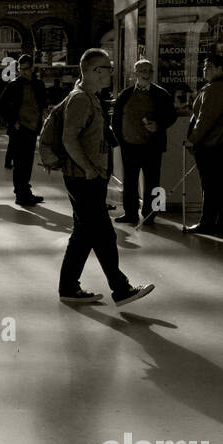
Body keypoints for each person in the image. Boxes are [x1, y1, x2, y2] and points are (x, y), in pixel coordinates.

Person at [58, 48, 154, 306]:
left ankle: (67, 287)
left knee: (82, 234)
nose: (111, 72)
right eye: (107, 68)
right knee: (103, 234)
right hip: (83, 178)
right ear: (92, 71)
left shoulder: (90, 98)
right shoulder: (80, 99)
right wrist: (88, 168)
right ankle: (120, 289)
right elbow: (69, 138)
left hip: (88, 177)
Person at [111, 58, 177, 225]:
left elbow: (171, 116)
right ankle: (130, 213)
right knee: (130, 181)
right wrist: (121, 140)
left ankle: (152, 214)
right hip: (130, 145)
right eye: (142, 71)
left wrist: (158, 125)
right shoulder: (125, 94)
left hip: (153, 146)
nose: (146, 74)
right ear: (135, 74)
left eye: (149, 71)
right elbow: (116, 120)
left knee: (154, 181)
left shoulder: (162, 94)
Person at [184, 53, 223, 238]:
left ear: (220, 69)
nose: (204, 69)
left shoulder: (216, 88)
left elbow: (206, 118)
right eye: (204, 66)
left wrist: (193, 139)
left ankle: (208, 223)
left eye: (209, 66)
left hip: (213, 145)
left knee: (211, 187)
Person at [0, 54, 48, 206]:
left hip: (33, 128)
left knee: (27, 162)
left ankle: (25, 191)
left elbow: (43, 103)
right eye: (21, 69)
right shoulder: (14, 85)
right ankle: (20, 194)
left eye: (26, 69)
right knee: (19, 163)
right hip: (20, 129)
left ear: (32, 68)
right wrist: (13, 121)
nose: (23, 72)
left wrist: (44, 117)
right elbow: (1, 104)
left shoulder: (39, 84)